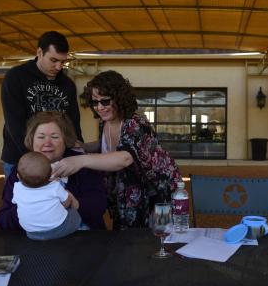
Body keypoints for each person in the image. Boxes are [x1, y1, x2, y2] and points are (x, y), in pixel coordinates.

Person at [52, 70, 182, 229]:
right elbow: (107, 145)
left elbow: (125, 158)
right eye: (95, 102)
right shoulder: (105, 122)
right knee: (128, 240)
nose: (99, 107)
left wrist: (80, 160)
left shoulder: (135, 124)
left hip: (159, 192)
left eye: (105, 101)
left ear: (119, 99)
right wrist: (85, 147)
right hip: (129, 190)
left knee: (159, 239)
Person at [0, 111, 107, 231]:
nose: (47, 143)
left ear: (66, 140)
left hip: (79, 242)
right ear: (31, 140)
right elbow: (3, 220)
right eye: (41, 137)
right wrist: (30, 207)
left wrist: (75, 203)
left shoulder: (82, 165)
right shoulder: (22, 170)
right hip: (34, 243)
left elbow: (99, 208)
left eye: (54, 137)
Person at [1, 31, 83, 178]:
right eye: (53, 60)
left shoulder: (67, 84)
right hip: (21, 159)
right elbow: (14, 123)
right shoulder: (15, 78)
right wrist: (34, 161)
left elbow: (73, 122)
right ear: (39, 52)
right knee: (18, 200)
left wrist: (77, 152)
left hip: (58, 160)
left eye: (63, 62)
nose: (59, 67)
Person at [13, 151, 81, 240]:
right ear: (50, 175)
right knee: (74, 211)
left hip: (31, 233)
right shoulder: (55, 186)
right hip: (59, 229)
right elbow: (67, 202)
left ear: (18, 176)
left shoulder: (17, 188)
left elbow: (15, 202)